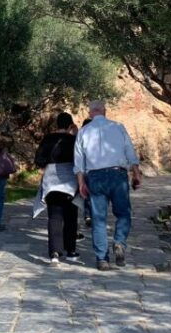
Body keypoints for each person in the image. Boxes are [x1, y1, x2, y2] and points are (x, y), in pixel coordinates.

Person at [74, 100, 142, 270]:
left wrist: (81, 183)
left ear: (90, 114)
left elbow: (79, 162)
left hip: (95, 177)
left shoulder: (83, 132)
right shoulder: (118, 127)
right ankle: (119, 242)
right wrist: (136, 173)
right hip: (117, 175)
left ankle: (102, 259)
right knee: (124, 213)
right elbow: (130, 152)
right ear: (104, 111)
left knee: (98, 218)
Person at [33, 112, 80, 264]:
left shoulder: (47, 139)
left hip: (51, 181)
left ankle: (54, 252)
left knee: (54, 216)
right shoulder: (74, 140)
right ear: (70, 125)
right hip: (70, 181)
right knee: (71, 216)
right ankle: (70, 251)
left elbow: (38, 160)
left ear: (56, 124)